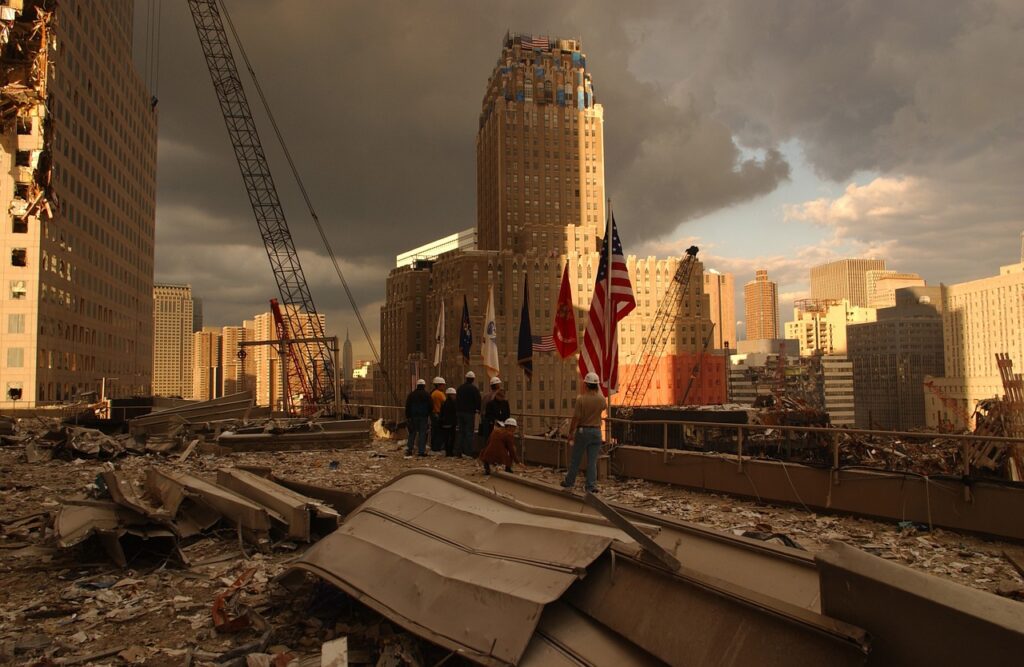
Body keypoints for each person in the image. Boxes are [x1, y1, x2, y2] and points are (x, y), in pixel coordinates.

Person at [561, 372, 605, 493]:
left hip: (583, 431)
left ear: (586, 385)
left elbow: (576, 418)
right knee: (592, 461)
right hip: (596, 432)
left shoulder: (581, 399)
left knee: (576, 459)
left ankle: (569, 482)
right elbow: (603, 408)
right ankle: (591, 486)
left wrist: (571, 433)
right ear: (596, 385)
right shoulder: (601, 399)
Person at [455, 371, 481, 458]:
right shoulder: (474, 389)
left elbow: (456, 400)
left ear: (466, 378)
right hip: (469, 413)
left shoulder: (460, 388)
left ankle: (458, 451)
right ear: (473, 379)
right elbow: (478, 400)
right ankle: (468, 452)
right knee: (469, 432)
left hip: (460, 412)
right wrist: (478, 409)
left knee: (461, 432)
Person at [404, 379, 432, 458]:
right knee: (422, 434)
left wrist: (408, 417)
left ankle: (409, 450)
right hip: (423, 417)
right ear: (424, 386)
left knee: (412, 433)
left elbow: (407, 406)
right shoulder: (427, 395)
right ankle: (421, 451)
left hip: (413, 417)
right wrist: (428, 414)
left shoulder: (412, 395)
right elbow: (431, 406)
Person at [478, 376, 503, 448]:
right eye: (498, 384)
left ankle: (486, 451)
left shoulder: (486, 396)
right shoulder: (497, 396)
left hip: (485, 419)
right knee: (494, 438)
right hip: (493, 420)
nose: (499, 385)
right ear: (496, 385)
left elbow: (482, 408)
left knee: (486, 437)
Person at [439, 387, 458, 456]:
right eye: (454, 395)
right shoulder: (454, 403)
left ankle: (447, 452)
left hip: (444, 423)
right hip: (451, 423)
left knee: (446, 438)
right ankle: (450, 452)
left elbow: (441, 413)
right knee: (452, 438)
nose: (455, 396)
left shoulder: (444, 403)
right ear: (451, 395)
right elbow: (455, 413)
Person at [429, 376, 446, 452]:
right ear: (439, 385)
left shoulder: (432, 393)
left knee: (434, 432)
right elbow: (445, 403)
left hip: (433, 414)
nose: (443, 386)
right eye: (442, 385)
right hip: (438, 414)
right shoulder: (439, 394)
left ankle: (434, 447)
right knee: (439, 432)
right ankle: (437, 447)